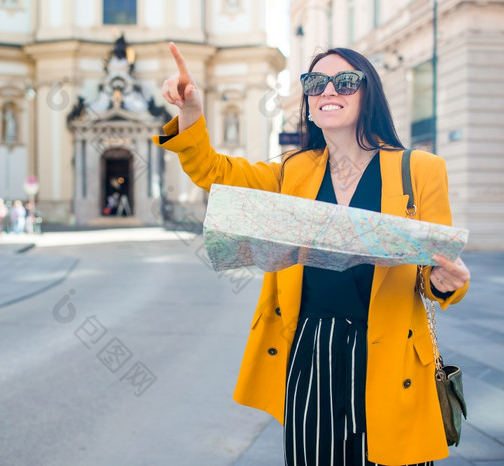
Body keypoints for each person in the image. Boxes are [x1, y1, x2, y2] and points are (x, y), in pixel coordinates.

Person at [153, 42, 471, 466]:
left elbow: (435, 269)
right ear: (307, 99)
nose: (328, 90)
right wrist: (191, 112)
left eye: (345, 81)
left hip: (389, 353)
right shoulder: (293, 170)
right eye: (315, 83)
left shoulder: (421, 170)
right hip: (310, 346)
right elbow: (215, 172)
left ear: (367, 93)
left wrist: (444, 283)